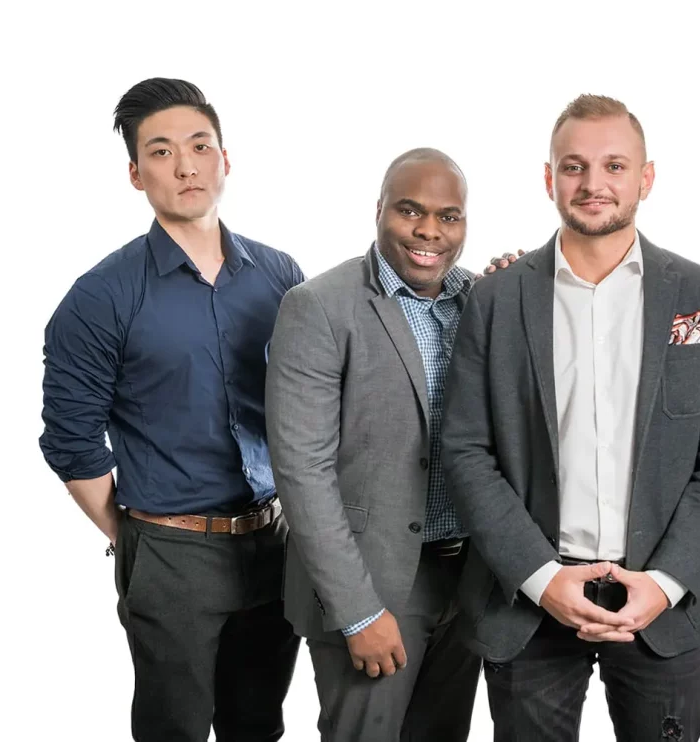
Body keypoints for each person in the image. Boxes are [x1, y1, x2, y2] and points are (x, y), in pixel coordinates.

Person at [441, 94, 700, 742]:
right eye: (575, 166)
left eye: (614, 165)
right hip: (529, 605)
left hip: (659, 604)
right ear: (549, 178)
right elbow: (466, 450)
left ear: (645, 177)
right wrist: (542, 578)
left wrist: (664, 582)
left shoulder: (699, 295)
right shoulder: (496, 299)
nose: (593, 184)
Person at [39, 77, 302, 741]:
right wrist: (135, 540)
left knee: (258, 726)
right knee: (173, 730)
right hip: (170, 551)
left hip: (273, 543)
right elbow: (71, 442)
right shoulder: (100, 297)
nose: (185, 165)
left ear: (225, 159)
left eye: (199, 145)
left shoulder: (281, 276)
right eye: (160, 152)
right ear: (135, 174)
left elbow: (318, 402)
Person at [266, 148, 482, 741]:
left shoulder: (477, 300)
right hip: (371, 583)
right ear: (379, 211)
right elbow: (302, 471)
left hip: (465, 577)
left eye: (449, 216)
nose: (429, 231)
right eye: (410, 211)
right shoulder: (319, 307)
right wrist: (358, 611)